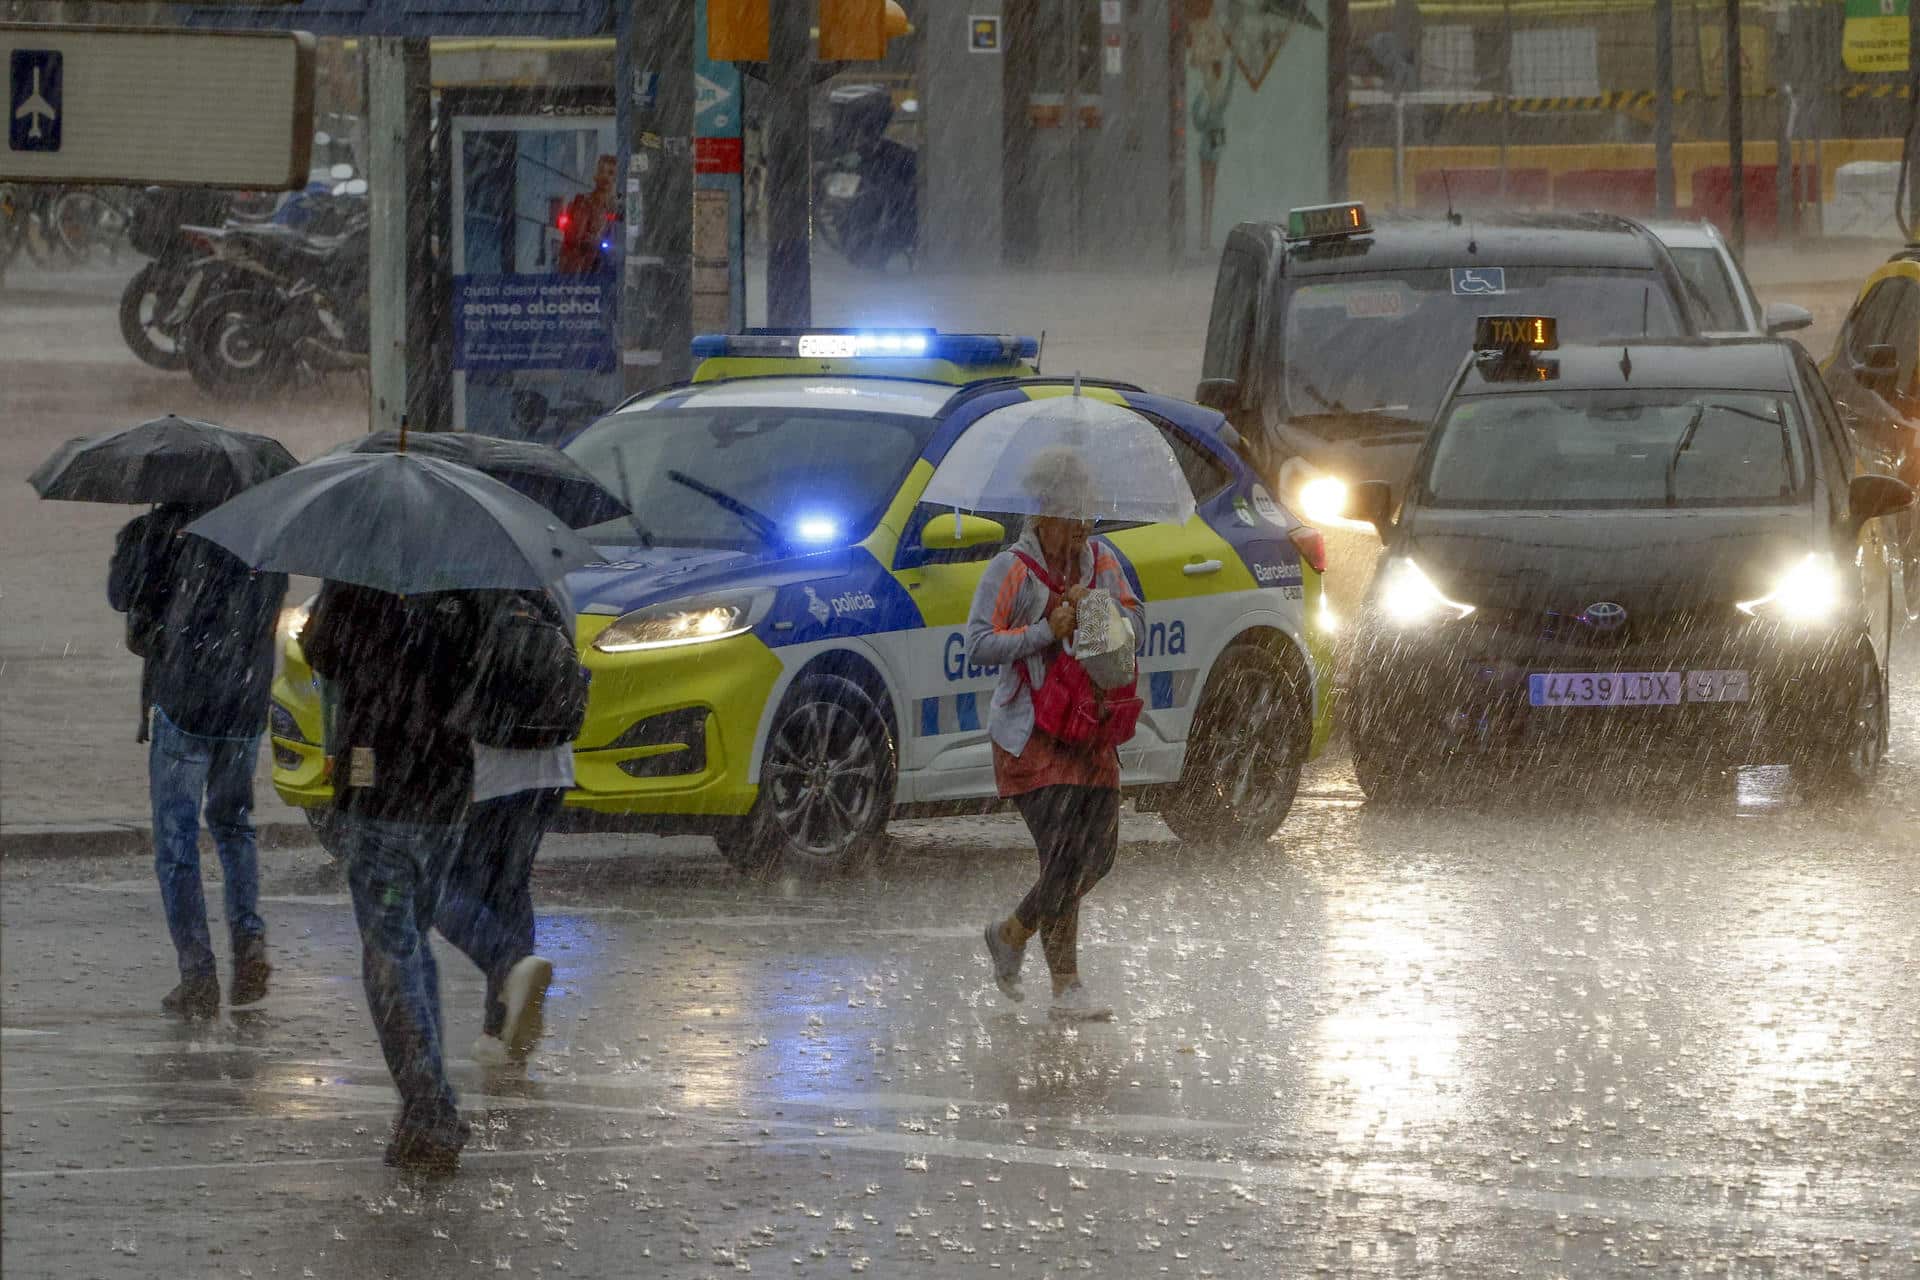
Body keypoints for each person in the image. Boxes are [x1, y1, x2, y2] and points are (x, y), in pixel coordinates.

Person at [301, 584, 484, 1172]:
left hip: (382, 788)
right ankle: (424, 1107)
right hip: (449, 792)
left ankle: (431, 1110)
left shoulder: (363, 571)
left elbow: (323, 654)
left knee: (392, 955)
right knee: (411, 945)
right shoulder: (473, 572)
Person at [966, 451, 1144, 1022]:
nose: (1082, 528)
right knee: (1063, 851)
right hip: (1032, 734)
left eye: (1087, 515)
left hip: (1090, 728)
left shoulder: (1102, 563)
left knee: (1101, 855)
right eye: (1071, 515)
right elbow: (979, 644)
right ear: (1042, 514)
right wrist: (1045, 629)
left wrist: (1093, 611)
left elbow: (1136, 624)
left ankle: (1012, 932)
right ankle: (1067, 989)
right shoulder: (1011, 570)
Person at [110, 509, 287, 1018]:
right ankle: (249, 940)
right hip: (244, 703)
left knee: (176, 840)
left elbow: (122, 595)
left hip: (184, 698)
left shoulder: (164, 529)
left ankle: (198, 972)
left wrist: (138, 538)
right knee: (234, 826)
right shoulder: (262, 528)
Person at [432, 584, 573, 1070]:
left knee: (435, 889)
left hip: (487, 769)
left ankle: (509, 968)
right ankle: (500, 1029)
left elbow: (438, 686)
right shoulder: (544, 581)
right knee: (509, 889)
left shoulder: (457, 593)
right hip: (551, 766)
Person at [557, 154, 618, 275]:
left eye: (610, 173)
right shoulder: (584, 202)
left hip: (601, 273)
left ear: (615, 178)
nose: (605, 177)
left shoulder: (614, 208)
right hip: (579, 274)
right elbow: (576, 238)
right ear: (595, 175)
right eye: (602, 171)